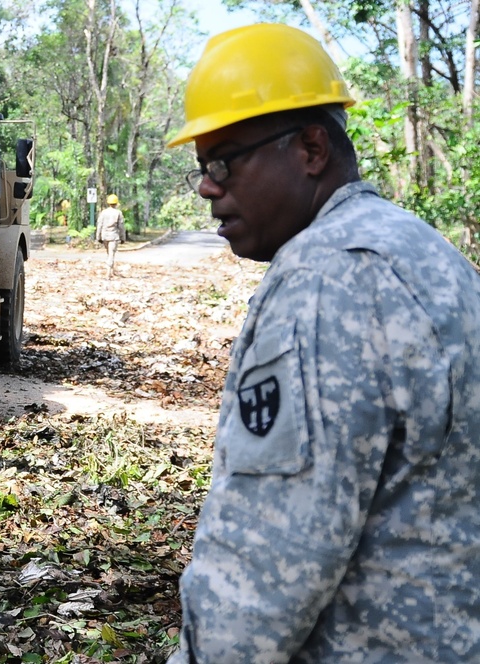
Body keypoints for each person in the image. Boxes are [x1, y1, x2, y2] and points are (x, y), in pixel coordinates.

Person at [164, 23, 480, 663]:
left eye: (224, 160)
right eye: (203, 167)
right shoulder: (424, 250)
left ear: (311, 148)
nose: (206, 185)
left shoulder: (325, 278)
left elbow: (264, 569)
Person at [95, 193, 126, 278]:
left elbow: (99, 224)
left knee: (109, 253)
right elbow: (121, 226)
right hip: (113, 236)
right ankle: (108, 273)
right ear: (116, 203)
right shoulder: (118, 213)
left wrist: (98, 237)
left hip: (105, 236)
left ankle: (111, 271)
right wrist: (123, 238)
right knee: (111, 253)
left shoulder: (104, 212)